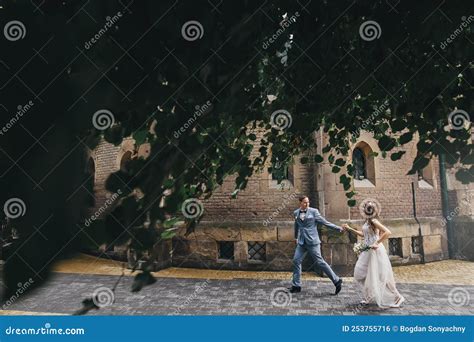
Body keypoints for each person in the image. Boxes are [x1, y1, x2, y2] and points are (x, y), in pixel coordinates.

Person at [343, 200, 405, 308]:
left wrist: (376, 243)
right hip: (367, 250)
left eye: (369, 209)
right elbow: (363, 234)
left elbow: (387, 232)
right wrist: (349, 229)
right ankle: (369, 295)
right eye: (367, 208)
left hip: (376, 251)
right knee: (359, 273)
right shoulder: (367, 222)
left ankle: (398, 297)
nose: (368, 210)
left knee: (381, 275)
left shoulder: (374, 221)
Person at [289, 196, 345, 294]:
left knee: (319, 262)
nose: (307, 204)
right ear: (300, 203)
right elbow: (296, 225)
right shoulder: (296, 212)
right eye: (305, 202)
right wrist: (296, 237)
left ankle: (336, 280)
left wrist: (338, 228)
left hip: (312, 242)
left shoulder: (314, 212)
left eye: (308, 202)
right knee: (296, 260)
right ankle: (296, 285)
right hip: (301, 242)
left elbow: (324, 222)